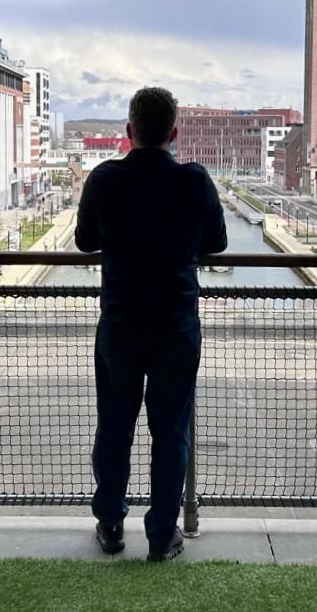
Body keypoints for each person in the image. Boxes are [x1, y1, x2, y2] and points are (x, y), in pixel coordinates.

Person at [75, 87, 228, 562]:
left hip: (121, 322)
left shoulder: (105, 178)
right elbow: (218, 243)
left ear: (129, 131)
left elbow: (84, 241)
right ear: (174, 133)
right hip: (175, 324)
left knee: (114, 428)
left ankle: (110, 523)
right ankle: (162, 534)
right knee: (171, 432)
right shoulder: (194, 180)